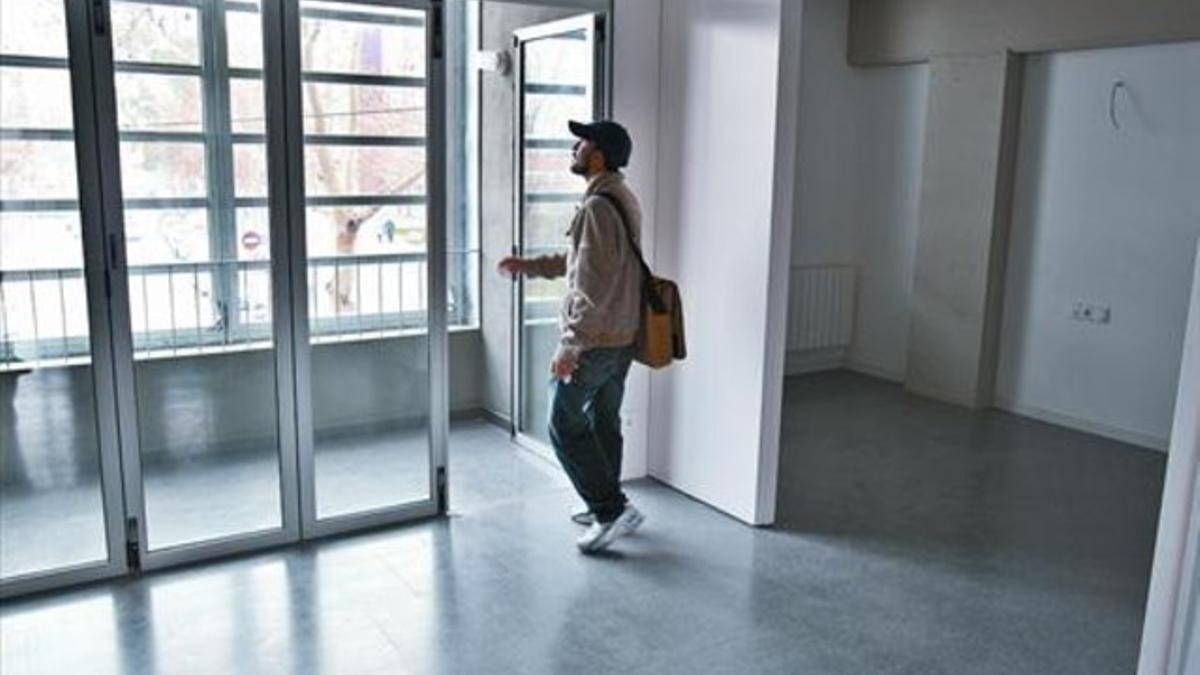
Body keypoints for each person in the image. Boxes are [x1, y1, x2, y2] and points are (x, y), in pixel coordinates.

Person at [498, 119, 645, 554]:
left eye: (581, 142)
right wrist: (528, 266)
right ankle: (608, 502)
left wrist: (569, 346)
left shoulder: (599, 206)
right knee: (603, 421)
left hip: (596, 340)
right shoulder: (619, 197)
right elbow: (581, 262)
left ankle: (610, 510)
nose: (574, 149)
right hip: (621, 336)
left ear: (597, 154)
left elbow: (591, 284)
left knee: (562, 422)